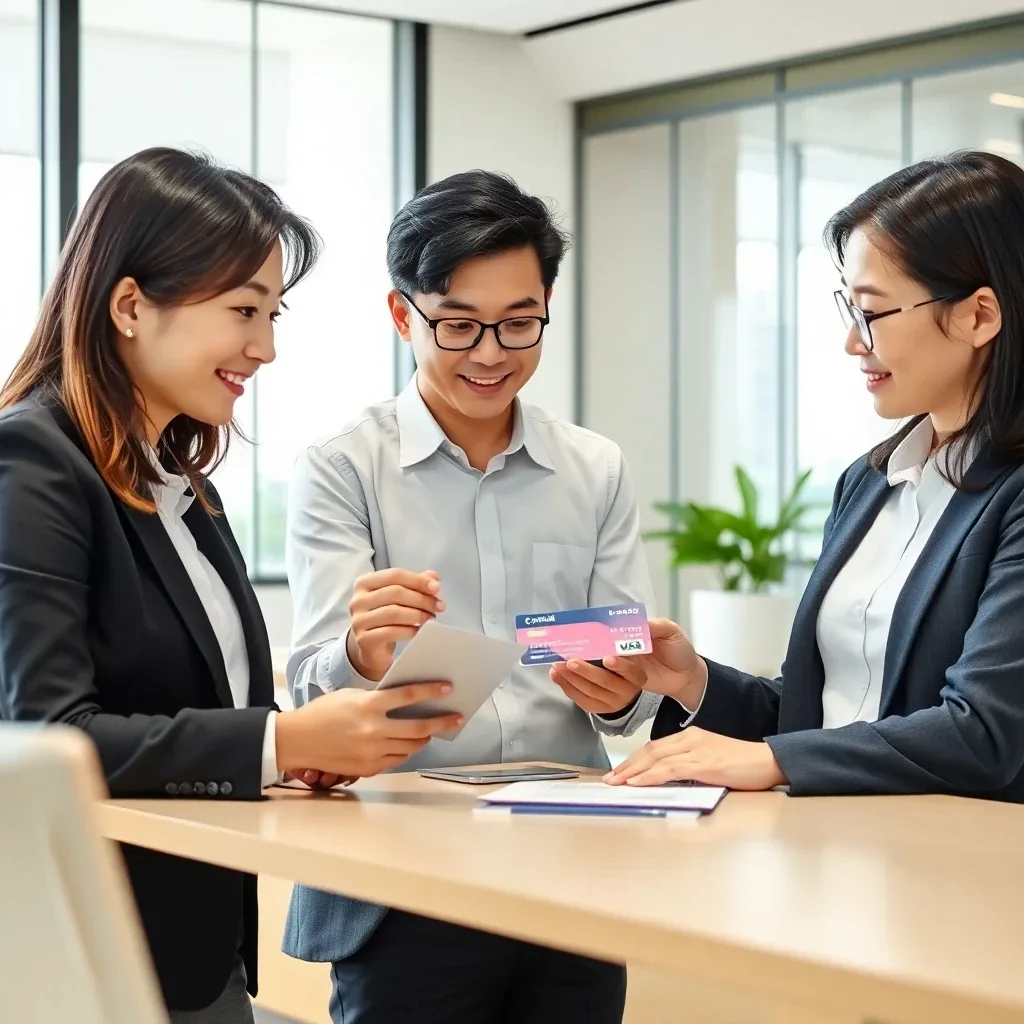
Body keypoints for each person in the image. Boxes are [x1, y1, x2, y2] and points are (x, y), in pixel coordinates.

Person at [0, 147, 461, 1023]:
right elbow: (46, 740)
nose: (268, 348)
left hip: (192, 946)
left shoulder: (181, 483)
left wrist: (295, 752)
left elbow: (197, 702)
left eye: (273, 312)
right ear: (130, 304)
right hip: (87, 956)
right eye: (245, 310)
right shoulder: (33, 462)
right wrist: (276, 744)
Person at [283, 170, 663, 1023]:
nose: (491, 353)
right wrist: (358, 654)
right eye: (456, 325)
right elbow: (307, 682)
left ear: (547, 304)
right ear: (400, 314)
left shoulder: (595, 469)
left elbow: (628, 683)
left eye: (520, 323)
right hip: (400, 868)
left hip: (571, 863)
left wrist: (623, 690)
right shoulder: (343, 467)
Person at [554, 150, 1024, 803]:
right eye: (848, 310)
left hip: (959, 876)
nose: (853, 342)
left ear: (979, 315)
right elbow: (825, 720)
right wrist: (694, 681)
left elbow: (987, 736)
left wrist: (774, 760)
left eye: (872, 312)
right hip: (830, 857)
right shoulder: (869, 484)